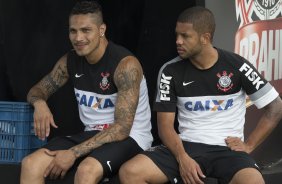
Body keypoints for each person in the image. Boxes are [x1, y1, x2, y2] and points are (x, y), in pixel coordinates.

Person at [119, 6, 282, 184]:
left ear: (205, 38)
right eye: (177, 35)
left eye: (186, 36)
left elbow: (275, 107)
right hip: (186, 146)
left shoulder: (237, 66)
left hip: (226, 149)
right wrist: (182, 158)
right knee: (130, 172)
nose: (178, 41)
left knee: (253, 181)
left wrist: (249, 145)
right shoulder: (170, 70)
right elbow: (165, 127)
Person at [20, 1, 153, 184]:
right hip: (91, 134)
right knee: (31, 164)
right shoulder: (70, 61)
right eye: (73, 31)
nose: (78, 38)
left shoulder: (125, 65)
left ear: (101, 30)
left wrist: (73, 153)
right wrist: (40, 103)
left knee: (86, 171)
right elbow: (37, 90)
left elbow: (122, 128)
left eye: (86, 30)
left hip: (131, 137)